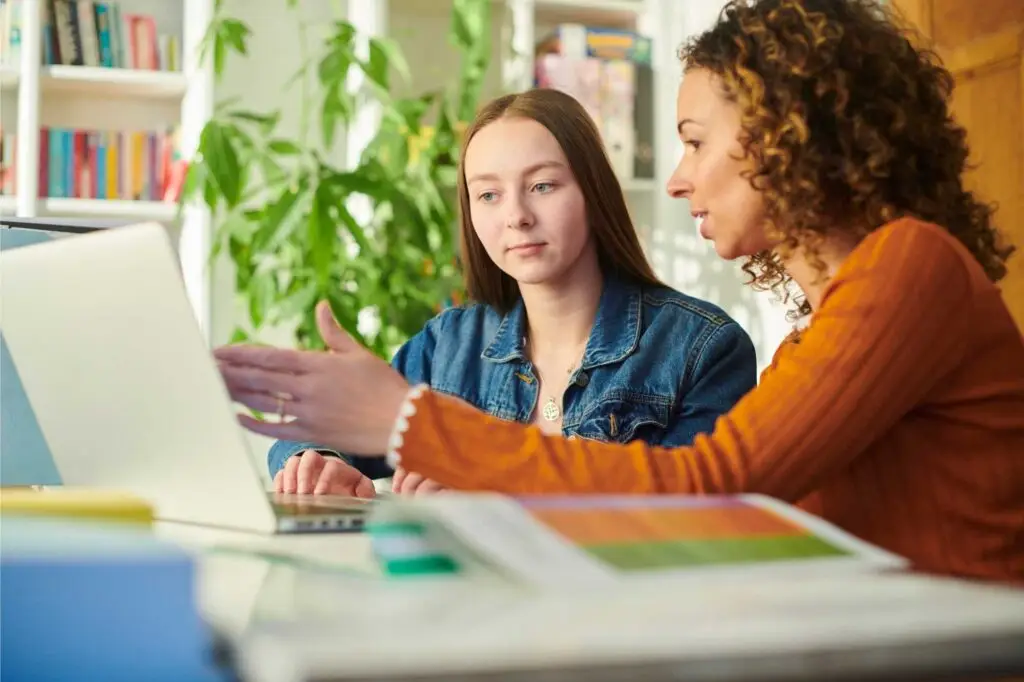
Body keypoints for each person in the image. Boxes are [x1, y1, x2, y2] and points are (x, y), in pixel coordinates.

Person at [216, 0, 1024, 583]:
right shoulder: (832, 317)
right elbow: (752, 525)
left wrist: (411, 425)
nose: (677, 179)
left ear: (790, 133)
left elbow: (711, 493)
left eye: (696, 142)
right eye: (486, 194)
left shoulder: (909, 267)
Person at [260, 88, 758, 497]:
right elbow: (316, 429)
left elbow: (693, 518)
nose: (516, 216)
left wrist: (497, 496)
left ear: (593, 191)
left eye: (542, 186)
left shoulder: (701, 348)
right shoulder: (447, 346)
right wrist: (317, 461)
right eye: (489, 195)